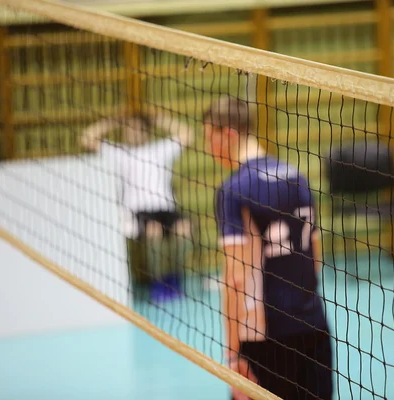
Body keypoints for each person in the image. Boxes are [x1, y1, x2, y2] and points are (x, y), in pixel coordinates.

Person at [203, 97, 333, 400]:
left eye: (210, 138)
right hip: (314, 326)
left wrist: (234, 356)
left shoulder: (234, 190)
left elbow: (234, 279)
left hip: (264, 339)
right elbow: (316, 257)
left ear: (229, 134)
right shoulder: (297, 176)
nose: (209, 149)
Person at [80, 110, 194, 304]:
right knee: (154, 231)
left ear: (146, 132)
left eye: (136, 129)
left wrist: (158, 118)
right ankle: (157, 284)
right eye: (128, 129)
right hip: (137, 211)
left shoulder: (159, 149)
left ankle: (175, 280)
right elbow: (87, 139)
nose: (132, 132)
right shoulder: (119, 153)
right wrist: (114, 120)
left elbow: (188, 134)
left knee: (184, 229)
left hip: (165, 207)